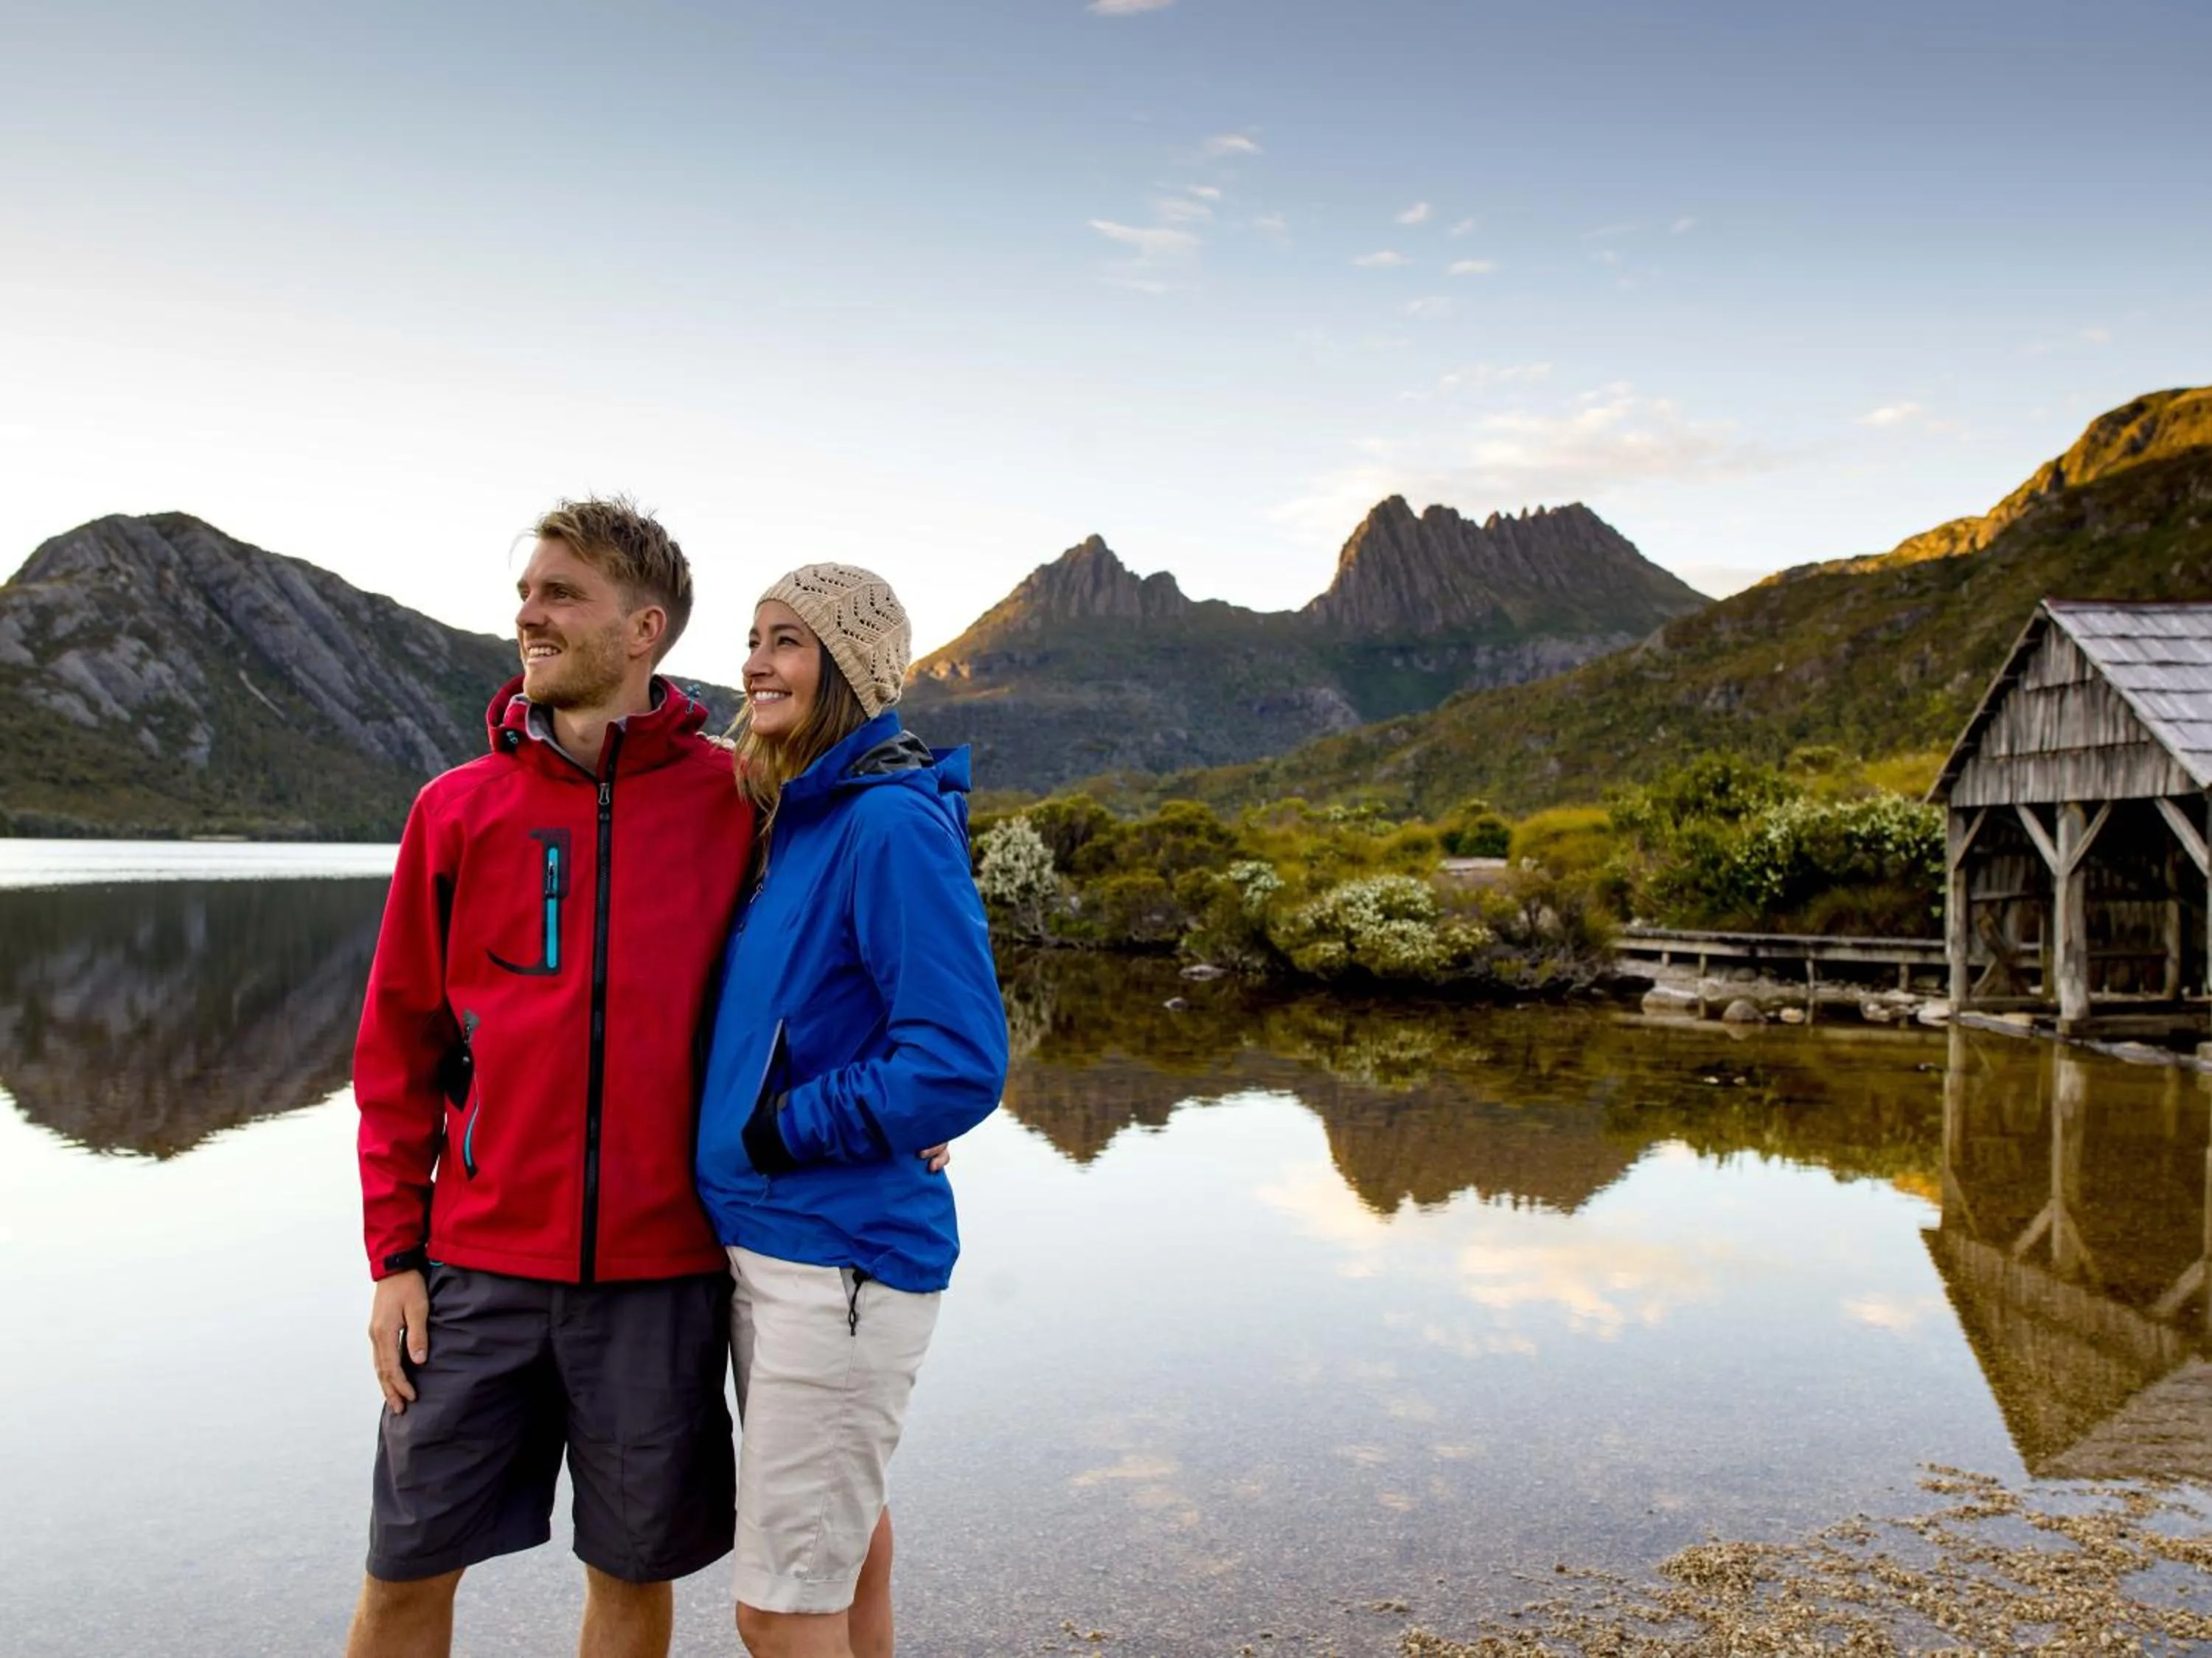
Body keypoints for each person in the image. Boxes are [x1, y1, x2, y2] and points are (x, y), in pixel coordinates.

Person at [347, 498, 753, 1658]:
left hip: (665, 1277)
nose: (529, 613)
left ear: (645, 629)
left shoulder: (736, 806)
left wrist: (906, 1116)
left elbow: (832, 977)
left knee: (631, 1580)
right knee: (404, 1575)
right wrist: (394, 1260)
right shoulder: (456, 811)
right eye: (529, 590)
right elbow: (397, 1055)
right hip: (473, 1274)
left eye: (562, 593)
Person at [697, 564, 1009, 1658]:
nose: (754, 662)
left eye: (786, 641)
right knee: (845, 1538)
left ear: (848, 668)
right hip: (784, 1247)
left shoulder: (887, 826)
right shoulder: (799, 819)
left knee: (779, 1603)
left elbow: (960, 1061)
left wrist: (783, 1127)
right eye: (753, 637)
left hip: (838, 1259)